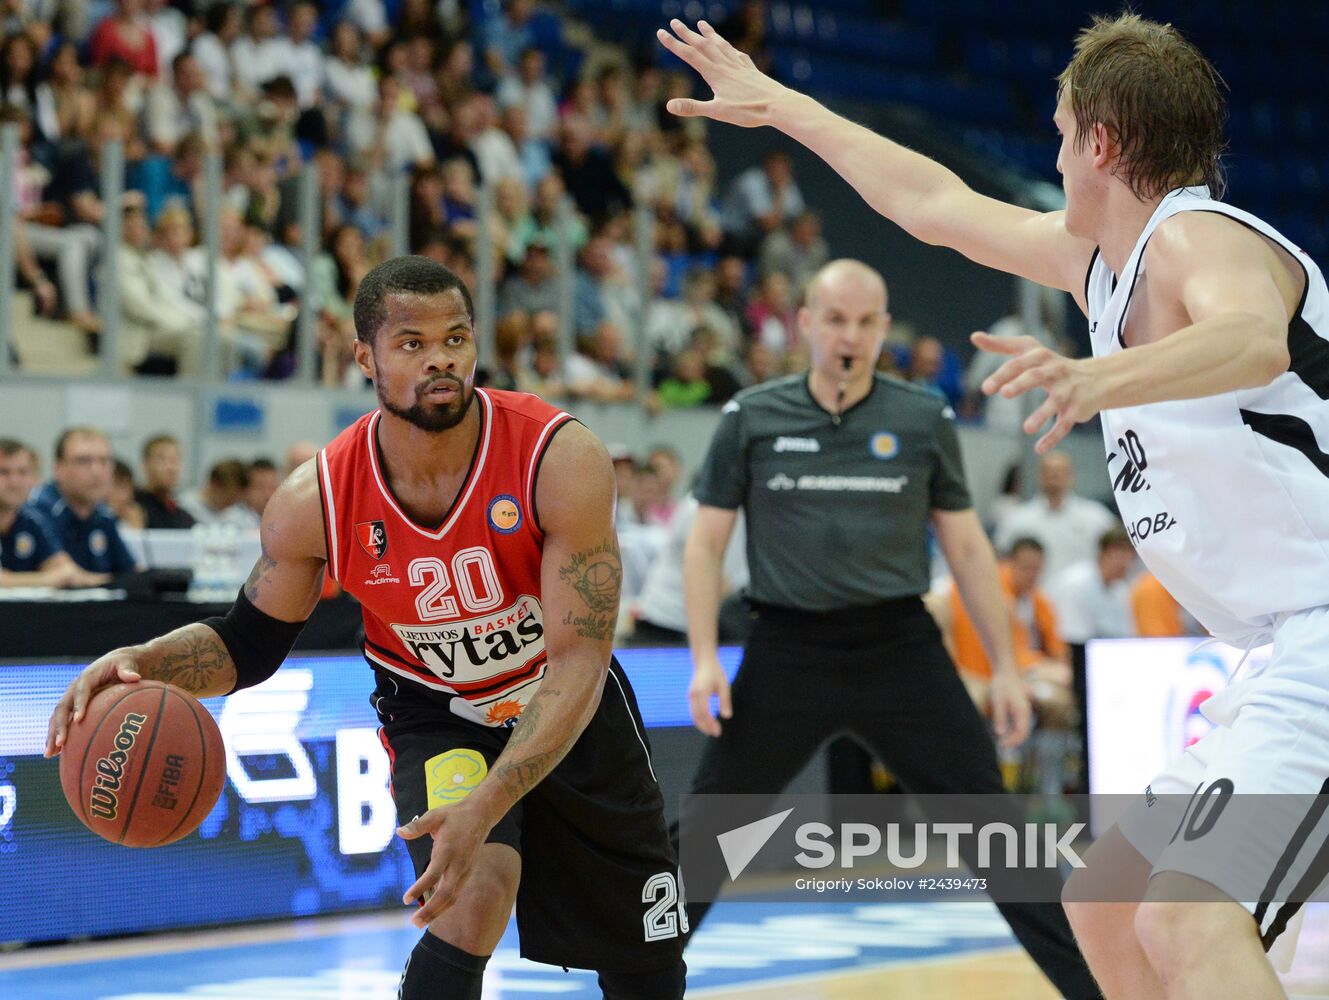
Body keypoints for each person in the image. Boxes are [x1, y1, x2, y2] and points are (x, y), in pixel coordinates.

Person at [657, 12, 1329, 998]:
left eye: (1061, 136)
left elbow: (1253, 342)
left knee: (1188, 916)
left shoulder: (1198, 237)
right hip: (1278, 645)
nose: (1054, 160)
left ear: (1102, 140)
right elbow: (932, 202)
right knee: (1105, 899)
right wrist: (787, 108)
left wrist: (1103, 381)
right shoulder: (1099, 265)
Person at [45, 257, 686, 1000]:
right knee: (470, 894)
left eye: (455, 337)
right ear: (364, 358)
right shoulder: (314, 499)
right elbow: (246, 644)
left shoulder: (558, 456)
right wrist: (145, 661)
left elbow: (579, 661)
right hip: (439, 713)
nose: (440, 357)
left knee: (646, 957)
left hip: (566, 707)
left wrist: (491, 802)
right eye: (411, 342)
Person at [675, 258, 1099, 998]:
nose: (850, 335)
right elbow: (705, 543)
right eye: (834, 319)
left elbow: (967, 547)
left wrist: (1003, 667)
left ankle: (1098, 990)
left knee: (1001, 839)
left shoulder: (921, 417)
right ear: (804, 323)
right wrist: (705, 658)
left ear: (883, 330)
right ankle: (630, 982)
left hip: (899, 651)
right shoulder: (751, 416)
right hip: (786, 653)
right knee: (705, 842)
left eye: (866, 321)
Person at [30, 427, 138, 577]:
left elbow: (130, 572)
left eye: (104, 461)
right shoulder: (37, 512)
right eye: (83, 461)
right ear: (58, 468)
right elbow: (68, 576)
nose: (96, 471)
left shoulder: (104, 515)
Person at [993, 450, 1116, 579]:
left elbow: (1117, 554)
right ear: (1039, 476)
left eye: (1061, 472)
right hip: (1034, 596)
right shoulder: (1017, 519)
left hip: (1080, 595)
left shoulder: (1096, 517)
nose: (1055, 476)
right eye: (1049, 472)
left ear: (1072, 476)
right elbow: (1002, 561)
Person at [0, 438, 105, 589]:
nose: (14, 482)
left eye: (23, 472)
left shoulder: (32, 520)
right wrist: (47, 579)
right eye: (4, 472)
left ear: (35, 479)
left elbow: (67, 571)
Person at [136, 434, 195, 530]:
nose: (171, 468)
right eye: (162, 460)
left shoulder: (183, 516)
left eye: (175, 460)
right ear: (146, 465)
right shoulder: (134, 508)